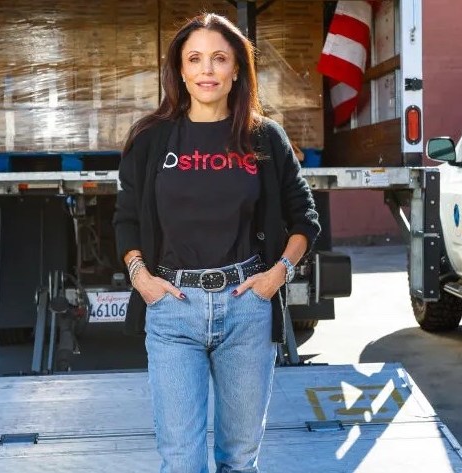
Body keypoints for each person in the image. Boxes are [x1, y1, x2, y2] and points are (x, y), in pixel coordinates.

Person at [113, 12, 320, 473]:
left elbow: (304, 216)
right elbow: (125, 220)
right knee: (182, 463)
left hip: (246, 306)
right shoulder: (150, 139)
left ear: (236, 70)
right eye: (195, 58)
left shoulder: (265, 137)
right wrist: (141, 277)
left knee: (239, 462)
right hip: (171, 308)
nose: (207, 70)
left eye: (219, 58)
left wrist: (277, 275)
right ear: (180, 71)